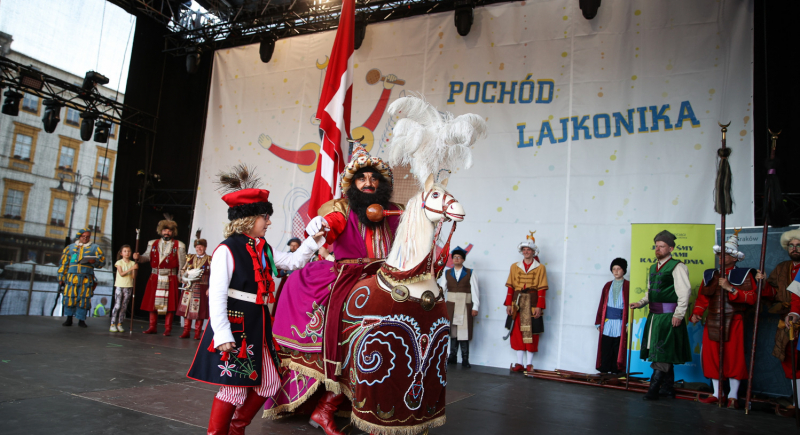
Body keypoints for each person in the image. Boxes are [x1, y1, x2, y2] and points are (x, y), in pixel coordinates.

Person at [270, 143, 402, 435]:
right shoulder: (342, 208)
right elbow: (328, 226)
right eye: (361, 178)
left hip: (389, 277)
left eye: (374, 178)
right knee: (349, 341)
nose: (368, 183)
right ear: (352, 184)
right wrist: (320, 226)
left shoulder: (395, 212)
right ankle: (325, 408)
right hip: (349, 276)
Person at [186, 165, 324, 435]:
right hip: (236, 323)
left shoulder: (263, 248)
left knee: (270, 383)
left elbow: (294, 261)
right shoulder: (227, 248)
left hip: (258, 323)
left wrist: (313, 240)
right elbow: (216, 293)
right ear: (249, 218)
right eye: (265, 217)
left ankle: (236, 428)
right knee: (233, 389)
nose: (269, 222)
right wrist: (222, 332)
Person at [690, 230, 757, 408]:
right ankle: (717, 393)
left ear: (735, 258)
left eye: (725, 254)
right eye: (720, 253)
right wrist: (697, 312)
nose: (721, 256)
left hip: (734, 321)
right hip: (712, 321)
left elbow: (751, 298)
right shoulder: (710, 275)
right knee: (712, 357)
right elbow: (702, 299)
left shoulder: (744, 274)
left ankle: (733, 396)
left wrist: (730, 288)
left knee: (733, 357)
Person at [630, 230, 692, 400]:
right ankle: (668, 389)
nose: (657, 249)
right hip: (655, 316)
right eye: (656, 246)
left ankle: (654, 389)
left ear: (670, 248)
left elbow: (684, 292)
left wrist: (679, 314)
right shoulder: (652, 267)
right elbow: (651, 292)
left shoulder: (678, 266)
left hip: (668, 316)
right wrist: (641, 303)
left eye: (662, 246)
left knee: (662, 352)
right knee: (662, 351)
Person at [134, 216, 186, 336]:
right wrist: (139, 258)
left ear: (173, 232)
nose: (167, 233)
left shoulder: (180, 245)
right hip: (155, 276)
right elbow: (146, 257)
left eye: (169, 231)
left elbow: (182, 264)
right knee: (152, 303)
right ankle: (152, 327)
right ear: (161, 231)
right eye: (165, 230)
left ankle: (168, 328)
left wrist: (181, 278)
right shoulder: (152, 243)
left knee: (170, 304)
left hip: (171, 277)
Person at [505, 232, 548, 373]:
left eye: (529, 250)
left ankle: (529, 364)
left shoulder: (540, 267)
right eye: (524, 250)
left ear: (534, 252)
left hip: (531, 302)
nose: (526, 252)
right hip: (517, 302)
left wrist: (539, 307)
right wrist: (509, 305)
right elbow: (511, 287)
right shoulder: (514, 266)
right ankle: (519, 363)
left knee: (529, 333)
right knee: (517, 332)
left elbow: (542, 289)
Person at [763, 229, 800, 388]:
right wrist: (763, 283)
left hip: (795, 317)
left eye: (798, 245)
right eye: (791, 245)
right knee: (789, 358)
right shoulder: (782, 267)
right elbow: (772, 293)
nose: (794, 248)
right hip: (787, 322)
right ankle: (796, 402)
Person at [437, 246, 480, 368]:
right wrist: (440, 306)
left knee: (464, 332)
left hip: (465, 304)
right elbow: (442, 290)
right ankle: (452, 356)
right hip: (451, 305)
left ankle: (465, 359)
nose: (456, 259)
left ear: (463, 260)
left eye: (459, 257)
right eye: (454, 257)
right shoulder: (447, 273)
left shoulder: (471, 272)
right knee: (453, 331)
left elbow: (475, 291)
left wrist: (475, 306)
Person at [58, 227, 105, 327]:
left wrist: (95, 261)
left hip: (86, 279)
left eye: (87, 237)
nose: (85, 238)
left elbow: (102, 261)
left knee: (84, 299)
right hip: (72, 278)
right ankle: (69, 318)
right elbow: (63, 263)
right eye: (83, 236)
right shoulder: (70, 248)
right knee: (70, 297)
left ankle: (81, 320)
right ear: (79, 236)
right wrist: (61, 277)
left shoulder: (95, 248)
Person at [595, 258, 630, 374]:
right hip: (608, 321)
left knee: (618, 346)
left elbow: (630, 306)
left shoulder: (628, 286)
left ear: (624, 270)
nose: (616, 271)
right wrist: (599, 322)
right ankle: (604, 369)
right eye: (614, 269)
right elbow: (602, 304)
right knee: (606, 346)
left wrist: (628, 323)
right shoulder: (607, 285)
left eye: (618, 268)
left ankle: (617, 370)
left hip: (620, 321)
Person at [177, 231, 212, 339]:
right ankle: (186, 331)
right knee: (187, 309)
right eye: (197, 247)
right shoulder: (190, 258)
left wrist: (210, 288)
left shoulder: (210, 259)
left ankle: (197, 332)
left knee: (200, 310)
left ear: (205, 248)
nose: (199, 249)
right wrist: (183, 278)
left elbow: (214, 274)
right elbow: (183, 270)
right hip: (189, 286)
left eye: (201, 247)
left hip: (202, 287)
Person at [111, 245, 137, 332]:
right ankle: (112, 323)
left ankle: (120, 323)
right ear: (121, 253)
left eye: (129, 251)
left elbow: (133, 277)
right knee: (117, 305)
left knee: (124, 306)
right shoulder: (119, 262)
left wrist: (135, 270)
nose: (127, 253)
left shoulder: (133, 263)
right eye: (125, 251)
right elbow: (122, 274)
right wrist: (131, 269)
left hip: (128, 286)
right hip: (119, 286)